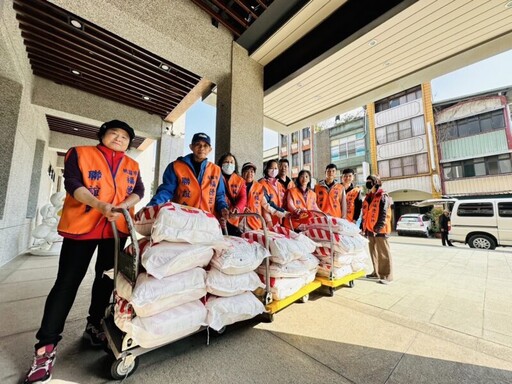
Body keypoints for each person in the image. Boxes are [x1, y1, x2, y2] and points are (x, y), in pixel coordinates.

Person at [23, 120, 145, 384]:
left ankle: (94, 325)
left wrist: (122, 206)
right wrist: (99, 204)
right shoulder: (80, 153)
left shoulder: (132, 165)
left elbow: (139, 191)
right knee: (67, 283)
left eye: (125, 136)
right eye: (114, 133)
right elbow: (73, 184)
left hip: (115, 230)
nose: (119, 138)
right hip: (82, 229)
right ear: (102, 135)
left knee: (106, 280)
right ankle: (46, 348)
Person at [148, 132, 229, 222]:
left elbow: (219, 196)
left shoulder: (216, 170)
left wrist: (223, 208)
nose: (201, 148)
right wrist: (153, 206)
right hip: (181, 218)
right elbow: (166, 190)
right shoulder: (176, 166)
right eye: (198, 144)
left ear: (210, 150)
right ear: (191, 147)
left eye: (205, 145)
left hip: (206, 220)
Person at [361, 175, 393, 285]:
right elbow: (365, 213)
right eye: (367, 181)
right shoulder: (368, 197)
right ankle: (376, 272)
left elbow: (383, 214)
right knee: (373, 252)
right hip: (369, 229)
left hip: (380, 230)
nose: (368, 183)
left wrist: (378, 228)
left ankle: (386, 275)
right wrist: (363, 227)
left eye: (371, 181)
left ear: (376, 183)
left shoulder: (383, 196)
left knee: (383, 253)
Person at [240, 162, 288, 230]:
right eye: (246, 171)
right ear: (242, 173)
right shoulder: (237, 186)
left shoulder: (259, 187)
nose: (249, 173)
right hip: (238, 222)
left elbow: (267, 204)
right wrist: (243, 209)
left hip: (254, 224)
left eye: (252, 171)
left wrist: (284, 213)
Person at [217, 152, 247, 236]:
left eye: (231, 162)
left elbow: (243, 197)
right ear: (221, 164)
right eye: (226, 162)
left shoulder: (240, 180)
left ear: (235, 165)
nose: (229, 164)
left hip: (233, 218)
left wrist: (237, 208)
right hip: (217, 217)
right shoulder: (215, 176)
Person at [259, 159, 287, 225]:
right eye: (271, 168)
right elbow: (265, 205)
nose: (274, 170)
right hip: (268, 220)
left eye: (275, 168)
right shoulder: (262, 183)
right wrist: (268, 220)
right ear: (266, 169)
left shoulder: (279, 184)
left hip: (278, 218)